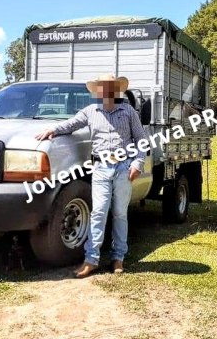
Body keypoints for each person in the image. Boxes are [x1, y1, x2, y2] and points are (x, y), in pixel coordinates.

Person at [35, 74, 146, 278]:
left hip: (123, 168)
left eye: (110, 88)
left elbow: (141, 140)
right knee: (98, 213)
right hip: (101, 168)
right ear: (99, 91)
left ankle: (118, 258)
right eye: (103, 88)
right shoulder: (90, 111)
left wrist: (137, 163)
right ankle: (91, 260)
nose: (107, 92)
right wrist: (52, 129)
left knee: (120, 214)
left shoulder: (128, 111)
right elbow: (70, 124)